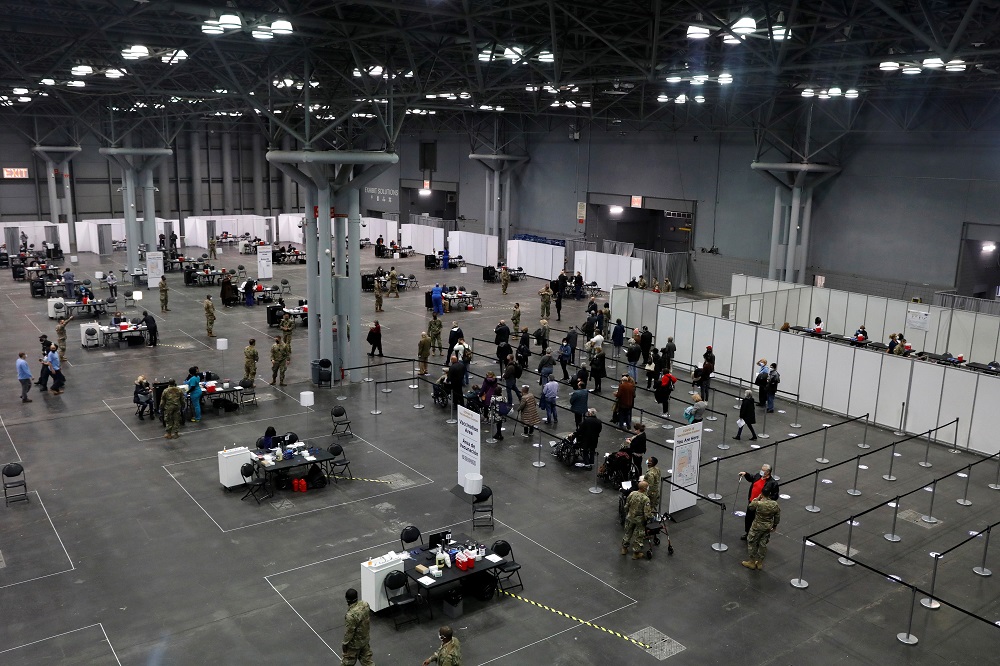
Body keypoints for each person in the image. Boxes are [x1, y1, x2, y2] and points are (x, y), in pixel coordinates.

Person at [744, 486, 781, 571]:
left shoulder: (759, 503)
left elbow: (750, 507)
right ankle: (760, 562)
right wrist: (774, 525)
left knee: (752, 542)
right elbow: (777, 516)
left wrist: (757, 498)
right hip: (767, 527)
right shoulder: (774, 504)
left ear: (762, 493)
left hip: (757, 526)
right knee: (763, 544)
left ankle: (752, 562)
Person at [739, 464, 776, 540]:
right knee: (749, 518)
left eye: (763, 470)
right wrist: (746, 474)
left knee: (758, 521)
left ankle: (756, 537)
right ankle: (748, 533)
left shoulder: (772, 483)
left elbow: (775, 496)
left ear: (768, 472)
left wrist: (765, 500)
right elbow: (751, 478)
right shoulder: (758, 476)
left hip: (761, 505)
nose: (761, 471)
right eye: (761, 469)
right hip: (752, 502)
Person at [342, 588, 374, 666]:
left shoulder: (350, 615)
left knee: (347, 663)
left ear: (347, 599)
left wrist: (344, 643)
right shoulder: (365, 605)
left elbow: (349, 632)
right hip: (365, 639)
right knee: (367, 661)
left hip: (354, 644)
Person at [621, 480, 652, 560]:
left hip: (630, 517)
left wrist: (628, 513)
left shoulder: (632, 493)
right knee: (639, 536)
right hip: (639, 521)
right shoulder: (646, 499)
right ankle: (636, 553)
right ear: (645, 488)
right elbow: (647, 513)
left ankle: (624, 549)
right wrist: (649, 518)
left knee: (628, 533)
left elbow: (626, 506)